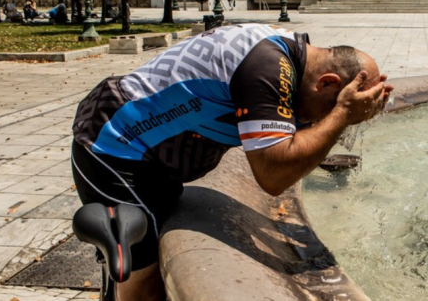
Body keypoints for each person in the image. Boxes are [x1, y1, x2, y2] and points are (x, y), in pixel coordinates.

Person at [71, 24, 392, 301]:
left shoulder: (294, 58)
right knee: (145, 276)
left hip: (156, 157)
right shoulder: (266, 66)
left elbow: (299, 132)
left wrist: (342, 111)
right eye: (330, 105)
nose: (318, 120)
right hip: (116, 142)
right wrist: (342, 114)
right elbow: (273, 174)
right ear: (327, 83)